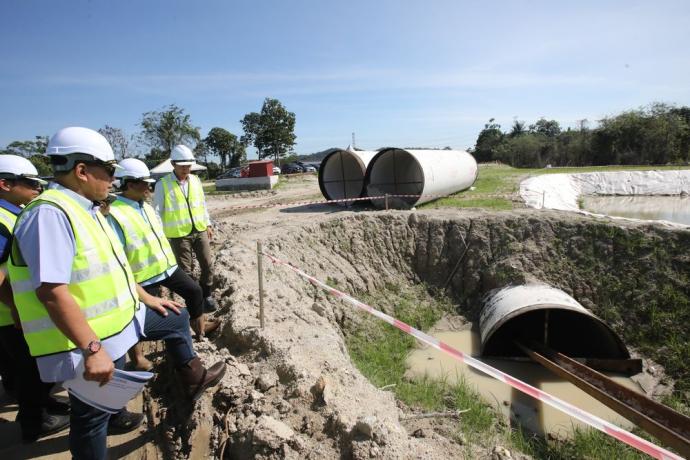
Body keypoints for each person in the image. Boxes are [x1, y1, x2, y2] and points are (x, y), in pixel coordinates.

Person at [8, 127, 226, 459]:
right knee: (92, 419)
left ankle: (192, 376)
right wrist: (92, 348)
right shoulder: (50, 214)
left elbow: (114, 267)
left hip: (120, 322)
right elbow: (51, 291)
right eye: (109, 171)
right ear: (81, 171)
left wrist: (148, 298)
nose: (114, 179)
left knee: (175, 316)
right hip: (85, 339)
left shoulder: (86, 208)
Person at [106, 158, 219, 370]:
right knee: (139, 316)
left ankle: (200, 330)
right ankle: (138, 359)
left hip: (165, 267)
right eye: (144, 184)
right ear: (130, 184)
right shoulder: (115, 214)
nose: (149, 187)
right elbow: (117, 257)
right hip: (141, 276)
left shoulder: (145, 207)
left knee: (194, 291)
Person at [0, 155, 70, 442]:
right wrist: (15, 307)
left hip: (16, 311)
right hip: (11, 313)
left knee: (22, 368)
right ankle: (34, 421)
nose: (37, 189)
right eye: (30, 183)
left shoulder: (13, 212)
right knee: (30, 367)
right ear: (5, 184)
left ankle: (41, 405)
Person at [153, 145, 217, 312]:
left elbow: (202, 204)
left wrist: (208, 223)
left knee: (208, 264)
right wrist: (161, 237)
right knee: (186, 271)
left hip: (199, 229)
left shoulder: (195, 181)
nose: (185, 169)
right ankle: (194, 300)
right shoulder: (163, 184)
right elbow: (157, 212)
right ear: (173, 164)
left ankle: (206, 294)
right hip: (179, 234)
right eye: (182, 165)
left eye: (188, 165)